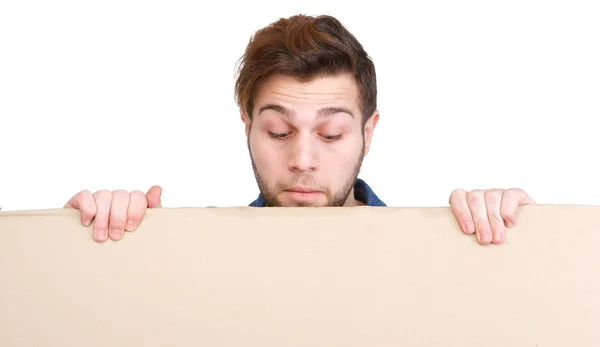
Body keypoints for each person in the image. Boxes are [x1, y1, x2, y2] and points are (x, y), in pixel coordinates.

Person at [64, 14, 535, 245]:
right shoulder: (195, 255)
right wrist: (83, 239)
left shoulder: (438, 250)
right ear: (247, 127)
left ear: (369, 133)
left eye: (330, 134)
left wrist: (531, 237)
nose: (303, 160)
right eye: (277, 131)